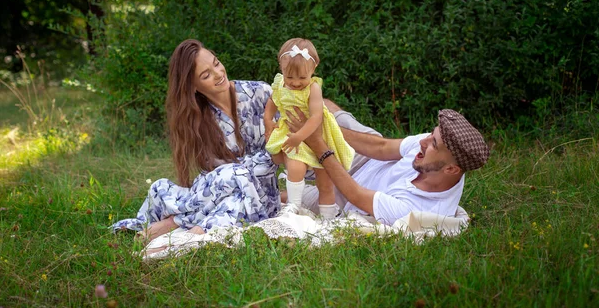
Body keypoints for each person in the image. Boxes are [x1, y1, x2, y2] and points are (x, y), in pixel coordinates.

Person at [111, 39, 280, 241]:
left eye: (216, 63)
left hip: (259, 196)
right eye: (206, 75)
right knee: (161, 188)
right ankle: (181, 225)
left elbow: (282, 149)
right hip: (224, 192)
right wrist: (239, 171)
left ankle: (173, 223)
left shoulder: (261, 92)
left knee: (235, 183)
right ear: (193, 87)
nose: (218, 74)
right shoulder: (198, 121)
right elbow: (216, 174)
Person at [285, 101, 489, 226]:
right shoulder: (428, 147)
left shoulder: (418, 211)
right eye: (430, 134)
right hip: (369, 160)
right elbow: (381, 147)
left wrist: (318, 142)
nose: (423, 142)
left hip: (345, 198)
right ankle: (270, 115)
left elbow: (355, 194)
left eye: (433, 143)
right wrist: (327, 130)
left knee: (286, 197)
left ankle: (277, 170)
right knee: (323, 108)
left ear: (451, 169)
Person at [263, 38, 355, 219]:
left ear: (313, 70)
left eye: (302, 77)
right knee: (295, 167)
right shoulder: (280, 85)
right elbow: (271, 103)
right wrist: (268, 120)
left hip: (316, 134)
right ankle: (293, 206)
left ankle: (328, 214)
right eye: (290, 77)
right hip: (291, 133)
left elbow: (316, 117)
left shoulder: (313, 89)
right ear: (281, 68)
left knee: (325, 179)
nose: (295, 83)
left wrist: (299, 136)